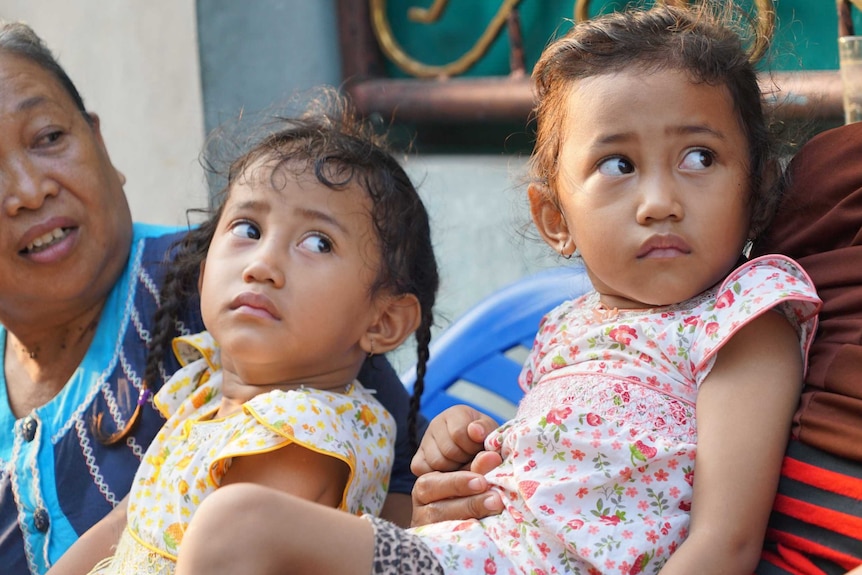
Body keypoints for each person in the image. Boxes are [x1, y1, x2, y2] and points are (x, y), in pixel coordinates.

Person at [170, 5, 822, 574]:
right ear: (556, 220)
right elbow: (559, 478)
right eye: (617, 165)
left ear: (759, 186)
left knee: (242, 525)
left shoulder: (743, 313)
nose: (658, 202)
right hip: (479, 551)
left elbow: (725, 544)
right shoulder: (569, 324)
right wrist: (466, 457)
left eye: (699, 157)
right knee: (236, 527)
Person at [0, 21, 423, 575]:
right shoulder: (204, 389)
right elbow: (131, 517)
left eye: (49, 137)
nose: (30, 191)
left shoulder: (255, 320)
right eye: (246, 228)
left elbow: (407, 501)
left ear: (101, 144)